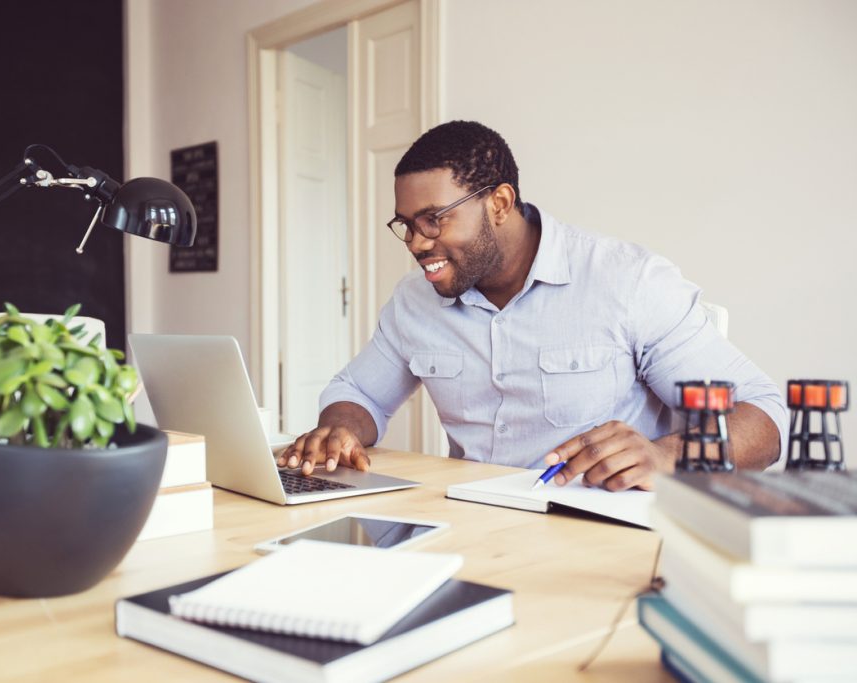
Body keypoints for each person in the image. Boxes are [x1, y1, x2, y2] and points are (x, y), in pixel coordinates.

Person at [277, 121, 786, 491]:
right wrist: (341, 426)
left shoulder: (627, 281)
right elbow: (358, 391)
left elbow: (764, 414)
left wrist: (667, 455)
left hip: (597, 535)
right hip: (467, 521)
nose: (415, 242)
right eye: (407, 224)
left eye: (433, 220)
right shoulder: (414, 301)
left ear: (499, 203)